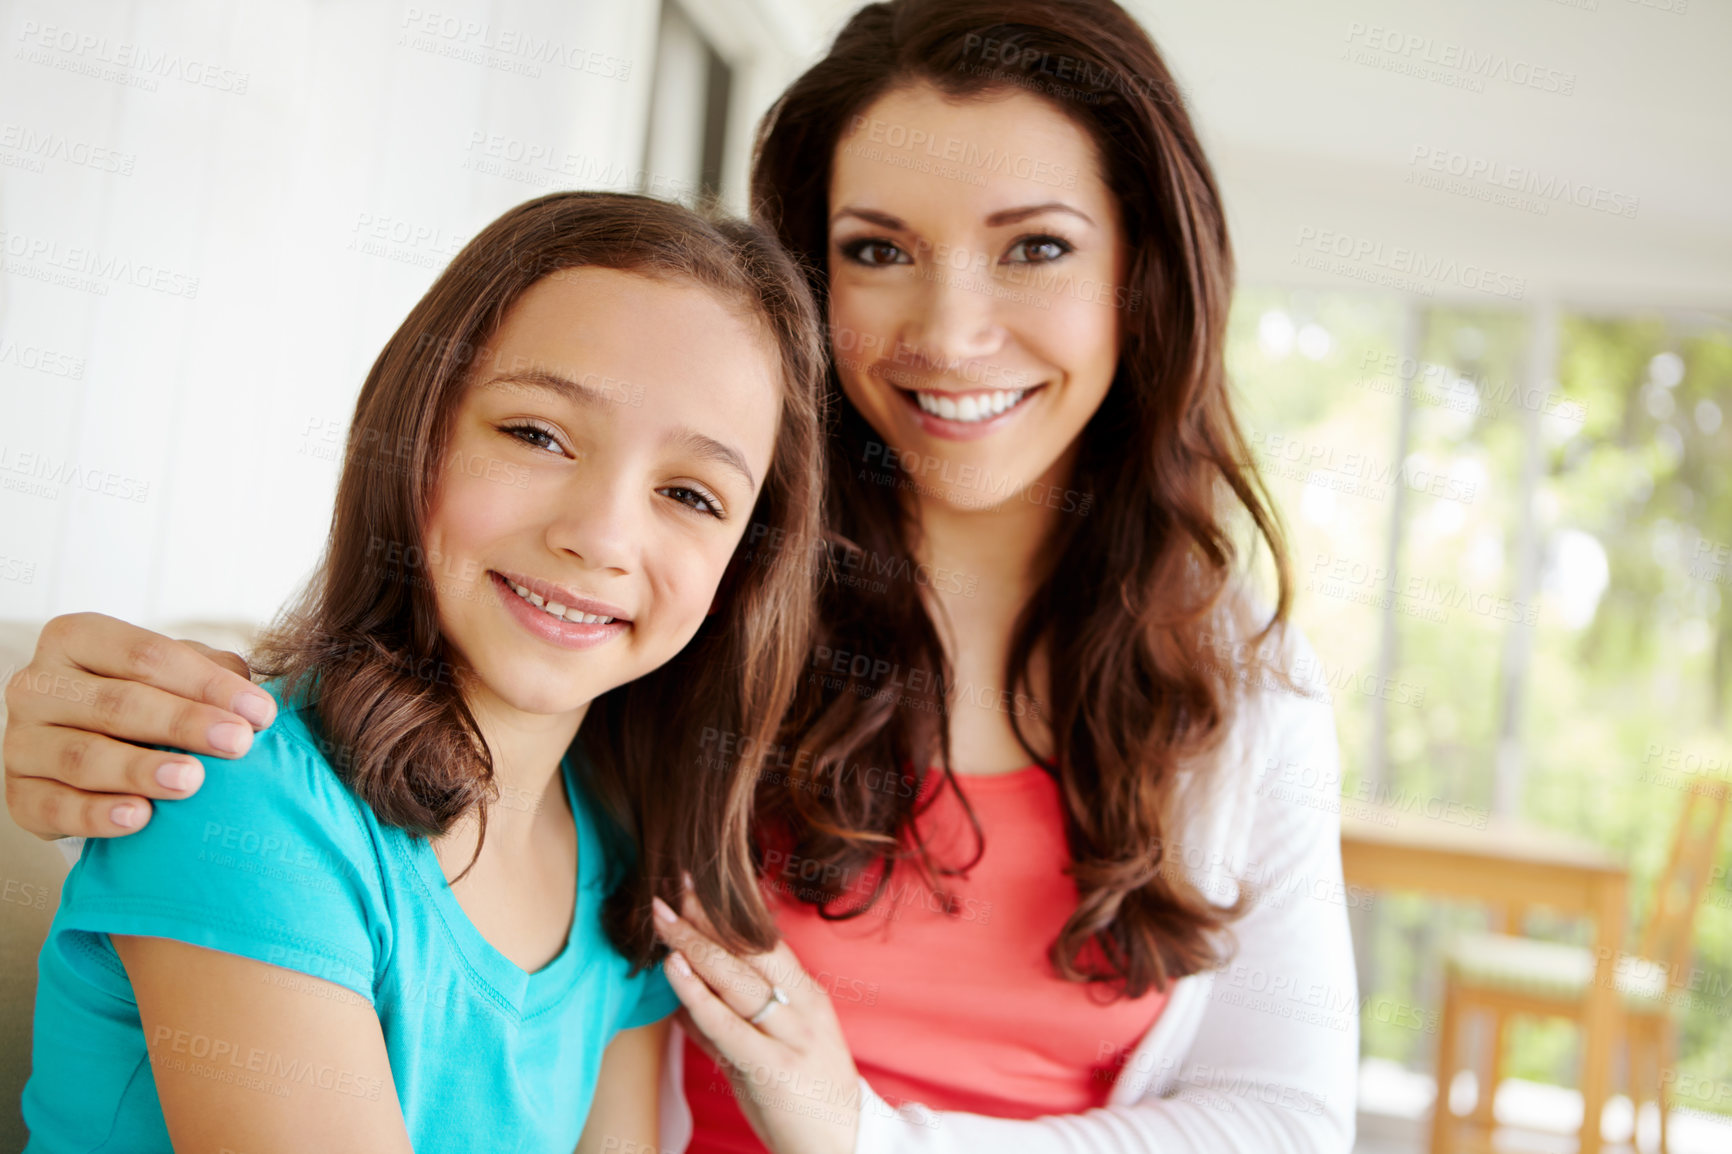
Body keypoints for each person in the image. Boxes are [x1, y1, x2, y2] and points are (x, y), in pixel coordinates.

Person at [4, 2, 1358, 1152]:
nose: (949, 329)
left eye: (1037, 244)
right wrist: (84, 693)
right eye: (874, 247)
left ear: (1147, 273)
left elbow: (1289, 1118)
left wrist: (862, 1135)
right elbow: (402, 697)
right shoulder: (704, 611)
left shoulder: (1246, 698)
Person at [16, 191, 828, 1154]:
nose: (602, 537)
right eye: (536, 434)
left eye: (691, 494)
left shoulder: (619, 855)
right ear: (418, 434)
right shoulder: (243, 793)